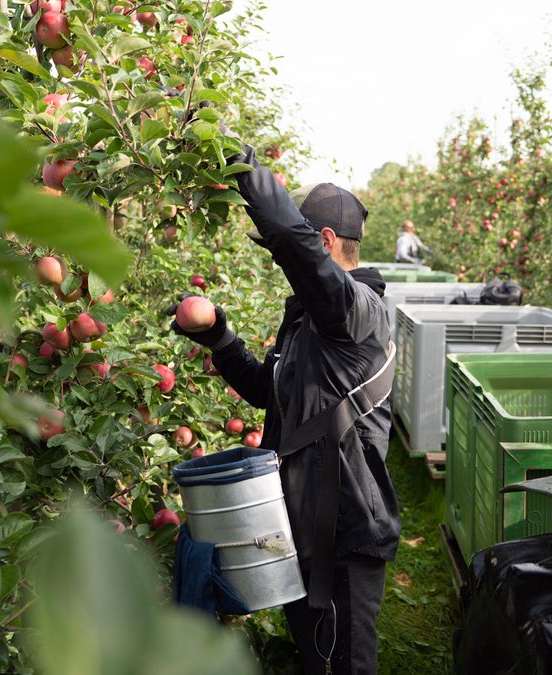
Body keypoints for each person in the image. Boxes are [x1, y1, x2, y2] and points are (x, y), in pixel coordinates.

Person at [171, 143, 401, 675]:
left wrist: (241, 163)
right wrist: (220, 338)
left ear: (322, 242)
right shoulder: (307, 323)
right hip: (300, 517)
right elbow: (270, 393)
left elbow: (296, 249)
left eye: (283, 253)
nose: (280, 263)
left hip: (344, 529)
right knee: (313, 654)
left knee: (345, 663)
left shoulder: (354, 312)